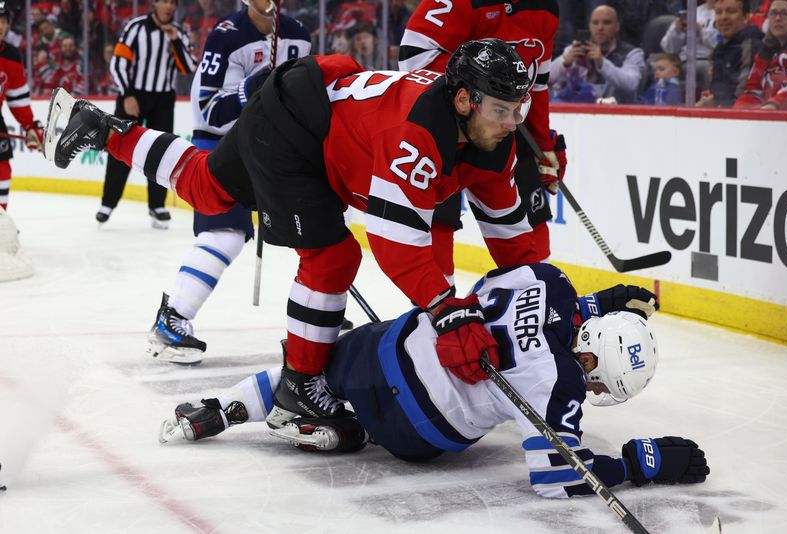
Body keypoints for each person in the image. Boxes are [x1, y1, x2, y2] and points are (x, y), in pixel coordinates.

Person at [44, 39, 543, 430]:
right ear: (463, 99)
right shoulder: (417, 134)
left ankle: (106, 129)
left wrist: (542, 299)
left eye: (517, 108)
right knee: (332, 258)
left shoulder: (492, 141)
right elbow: (396, 243)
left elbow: (512, 239)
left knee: (206, 187)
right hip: (298, 133)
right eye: (501, 109)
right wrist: (445, 309)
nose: (511, 122)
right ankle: (300, 388)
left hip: (302, 104)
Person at [158, 263, 710, 500]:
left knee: (313, 365)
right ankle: (355, 433)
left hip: (377, 352)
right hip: (415, 436)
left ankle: (221, 407)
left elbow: (501, 291)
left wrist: (593, 302)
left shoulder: (547, 278)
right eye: (597, 384)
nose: (589, 393)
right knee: (424, 422)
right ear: (590, 363)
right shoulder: (561, 385)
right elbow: (558, 480)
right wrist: (641, 463)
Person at [146, 0, 312, 364]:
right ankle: (172, 317)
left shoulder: (299, 35)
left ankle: (320, 321)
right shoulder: (226, 36)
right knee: (224, 234)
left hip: (276, 144)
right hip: (223, 143)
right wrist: (251, 89)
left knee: (318, 225)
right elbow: (206, 108)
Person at [398, 0, 563, 282]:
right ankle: (437, 312)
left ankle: (545, 300)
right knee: (440, 217)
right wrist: (486, 84)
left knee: (528, 215)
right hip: (449, 122)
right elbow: (414, 58)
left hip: (508, 120)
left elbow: (538, 84)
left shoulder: (546, 8)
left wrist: (543, 145)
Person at [97, 0, 196, 229]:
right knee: (119, 146)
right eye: (164, 1)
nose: (169, 6)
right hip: (133, 95)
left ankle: (157, 205)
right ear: (155, 3)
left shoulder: (178, 32)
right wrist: (128, 94)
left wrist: (174, 40)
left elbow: (188, 67)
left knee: (162, 152)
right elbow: (118, 64)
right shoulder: (136, 27)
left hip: (163, 99)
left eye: (172, 2)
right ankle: (108, 203)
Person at [549, 5, 646, 104]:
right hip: (578, 112)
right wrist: (565, 61)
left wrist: (602, 63)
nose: (600, 28)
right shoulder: (576, 49)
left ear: (617, 27)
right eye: (595, 23)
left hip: (618, 113)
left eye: (606, 23)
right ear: (590, 26)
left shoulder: (632, 53)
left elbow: (631, 84)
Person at [0, 1, 43, 211]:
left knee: (2, 169)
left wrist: (30, 126)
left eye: (3, 21)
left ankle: (0, 221)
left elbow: (18, 99)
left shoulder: (11, 56)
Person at [697, 0, 763, 107]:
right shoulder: (719, 48)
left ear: (746, 17)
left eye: (731, 11)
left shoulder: (751, 46)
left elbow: (744, 93)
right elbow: (718, 93)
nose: (724, 17)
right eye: (718, 12)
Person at [734, 0, 787, 109]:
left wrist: (772, 107)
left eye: (785, 13)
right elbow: (752, 91)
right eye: (773, 13)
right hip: (768, 118)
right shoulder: (765, 51)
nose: (778, 18)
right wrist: (739, 110)